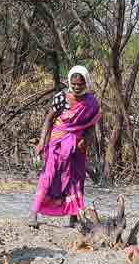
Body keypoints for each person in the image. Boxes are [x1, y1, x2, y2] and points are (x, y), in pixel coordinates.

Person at [29, 66, 101, 229]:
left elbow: (91, 125)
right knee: (49, 176)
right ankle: (34, 213)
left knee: (76, 178)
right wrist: (41, 142)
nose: (76, 87)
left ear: (86, 83)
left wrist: (86, 140)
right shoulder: (61, 97)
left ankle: (74, 216)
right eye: (73, 84)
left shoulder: (91, 103)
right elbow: (49, 120)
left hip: (77, 145)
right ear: (69, 82)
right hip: (58, 142)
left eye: (80, 84)